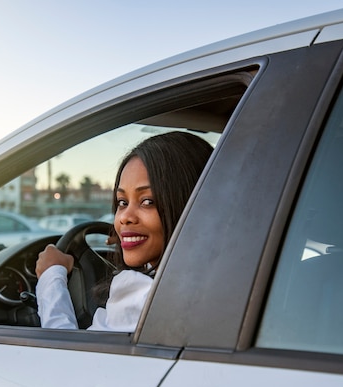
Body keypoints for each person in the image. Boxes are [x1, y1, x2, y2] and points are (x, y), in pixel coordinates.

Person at [35, 131, 213, 331]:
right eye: (122, 202)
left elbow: (67, 357)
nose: (124, 218)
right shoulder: (214, 281)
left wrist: (51, 276)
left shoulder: (142, 297)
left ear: (189, 203)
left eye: (147, 201)